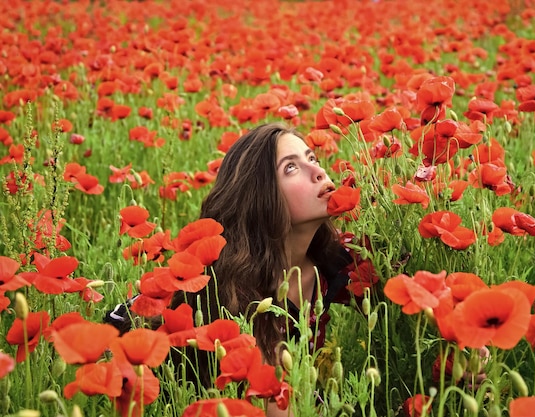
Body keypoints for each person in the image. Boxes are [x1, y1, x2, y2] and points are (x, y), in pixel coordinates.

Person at [106, 123, 355, 413]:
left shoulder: (334, 263)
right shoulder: (230, 286)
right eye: (291, 168)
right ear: (260, 195)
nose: (319, 172)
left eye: (312, 159)